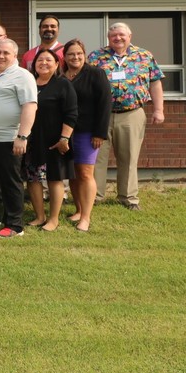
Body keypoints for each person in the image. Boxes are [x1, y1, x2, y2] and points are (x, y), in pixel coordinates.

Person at [88, 22, 165, 211]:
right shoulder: (96, 56)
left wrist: (158, 109)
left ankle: (128, 197)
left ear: (129, 36)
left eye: (122, 35)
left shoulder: (144, 56)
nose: (118, 38)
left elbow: (155, 83)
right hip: (100, 115)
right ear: (108, 38)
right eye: (114, 35)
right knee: (97, 158)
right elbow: (86, 84)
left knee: (129, 157)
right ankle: (95, 196)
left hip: (132, 114)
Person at [0, 39, 38, 238]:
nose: (1, 56)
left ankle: (14, 225)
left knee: (10, 183)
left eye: (6, 53)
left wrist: (22, 136)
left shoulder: (23, 76)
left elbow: (30, 106)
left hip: (9, 139)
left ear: (15, 56)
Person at [24, 48, 78, 231]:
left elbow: (71, 113)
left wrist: (64, 138)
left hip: (55, 140)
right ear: (34, 64)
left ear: (56, 65)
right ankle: (40, 216)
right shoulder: (29, 83)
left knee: (55, 178)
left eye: (49, 60)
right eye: (40, 60)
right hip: (32, 140)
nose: (43, 63)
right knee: (33, 178)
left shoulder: (63, 84)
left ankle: (53, 219)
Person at [62, 39, 111, 232]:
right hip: (66, 132)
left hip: (88, 132)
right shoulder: (62, 76)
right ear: (64, 57)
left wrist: (100, 132)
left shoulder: (96, 74)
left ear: (85, 55)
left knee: (85, 173)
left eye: (79, 54)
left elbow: (105, 104)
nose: (75, 57)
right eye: (71, 54)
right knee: (72, 173)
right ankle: (78, 209)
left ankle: (86, 217)